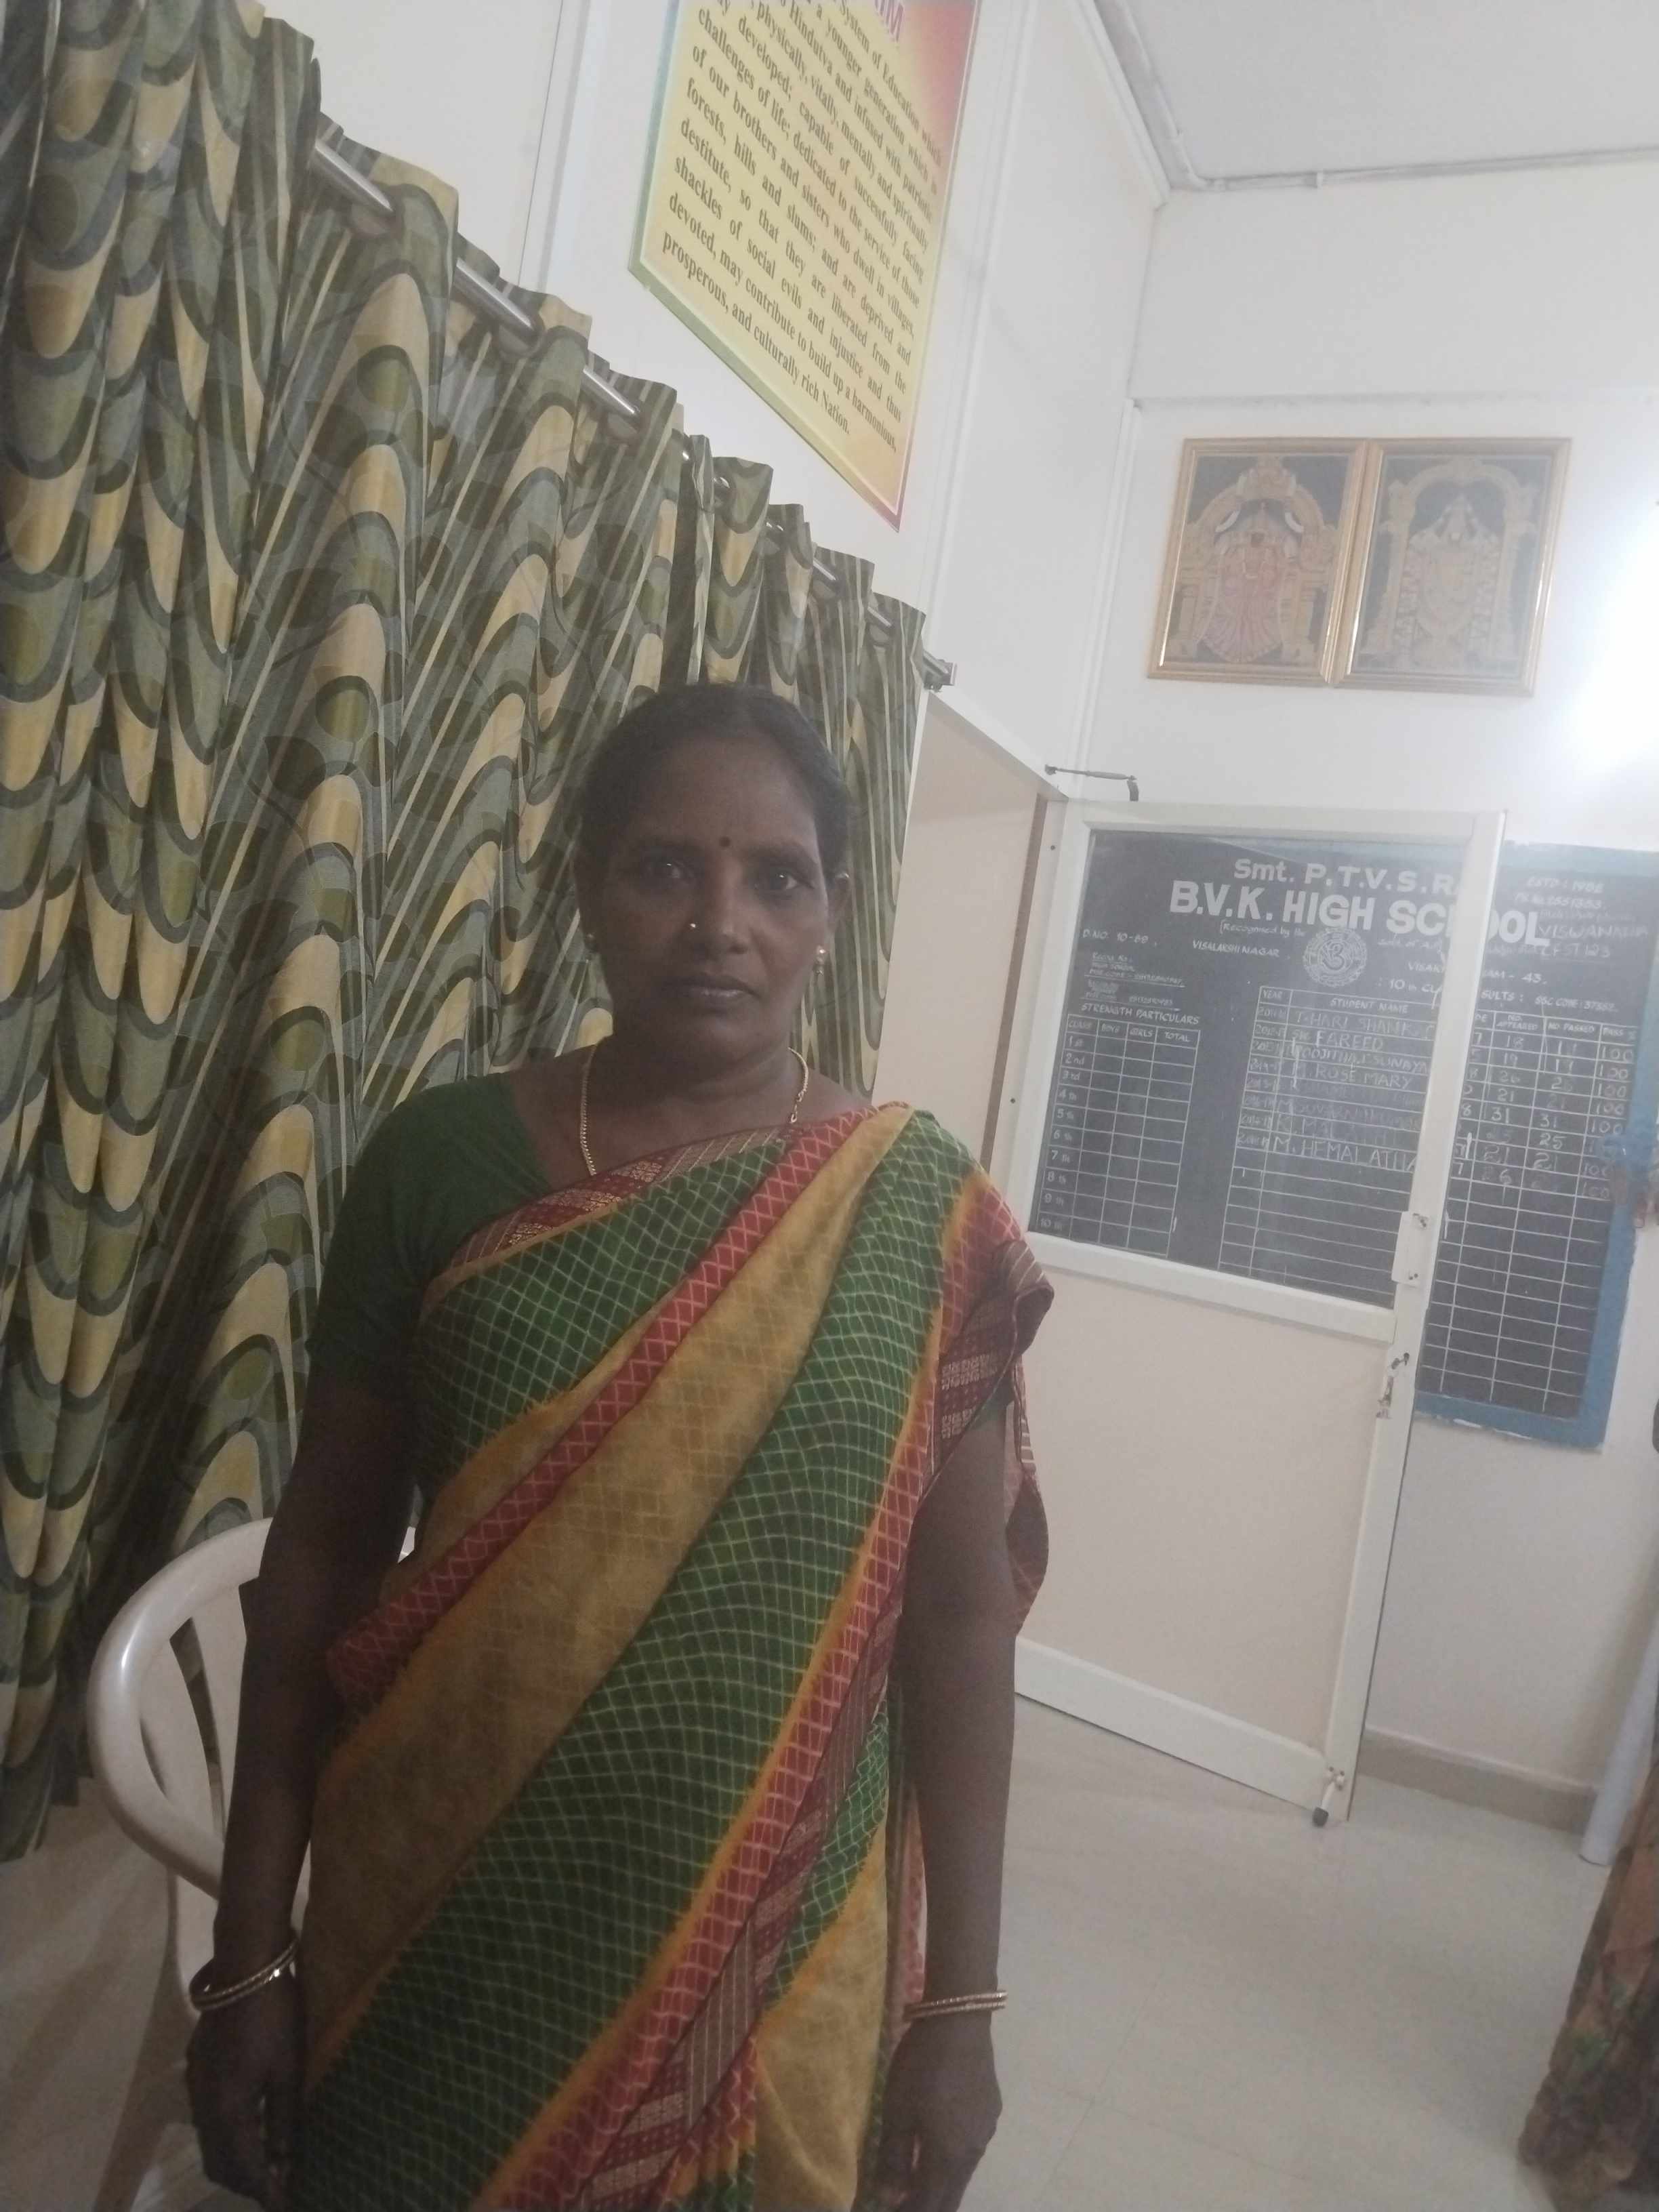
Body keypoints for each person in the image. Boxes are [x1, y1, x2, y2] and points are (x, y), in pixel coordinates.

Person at [186, 682, 1051, 2212]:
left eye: (776, 878)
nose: (720, 923)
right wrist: (247, 1955)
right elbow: (317, 1563)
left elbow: (961, 1614)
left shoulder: (915, 1208)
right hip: (437, 1918)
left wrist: (960, 2005)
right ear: (587, 890)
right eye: (665, 868)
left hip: (776, 1960)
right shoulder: (440, 1162)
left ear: (831, 915)